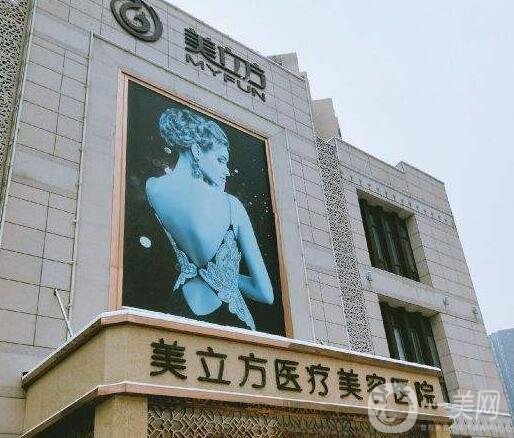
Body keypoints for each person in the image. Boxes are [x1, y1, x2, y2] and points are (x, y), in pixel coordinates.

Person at [145, 107, 273, 331]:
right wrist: (224, 275)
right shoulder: (232, 206)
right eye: (221, 160)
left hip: (178, 308)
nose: (227, 170)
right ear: (196, 150)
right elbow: (265, 294)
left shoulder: (153, 188)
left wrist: (202, 271)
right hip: (229, 317)